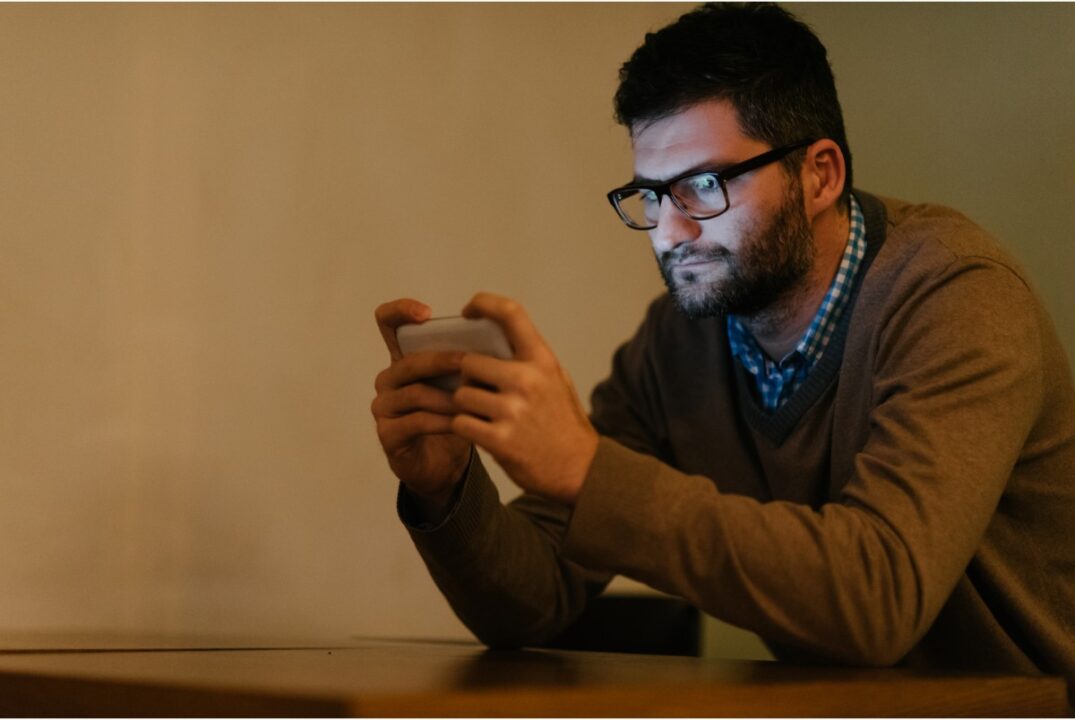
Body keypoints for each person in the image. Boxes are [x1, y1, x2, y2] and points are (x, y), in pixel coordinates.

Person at [371, 2, 1075, 694]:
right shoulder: (677, 341)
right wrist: (448, 491)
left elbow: (879, 598)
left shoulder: (956, 297)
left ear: (819, 175)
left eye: (702, 186)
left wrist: (588, 473)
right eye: (650, 194)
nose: (668, 233)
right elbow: (534, 601)